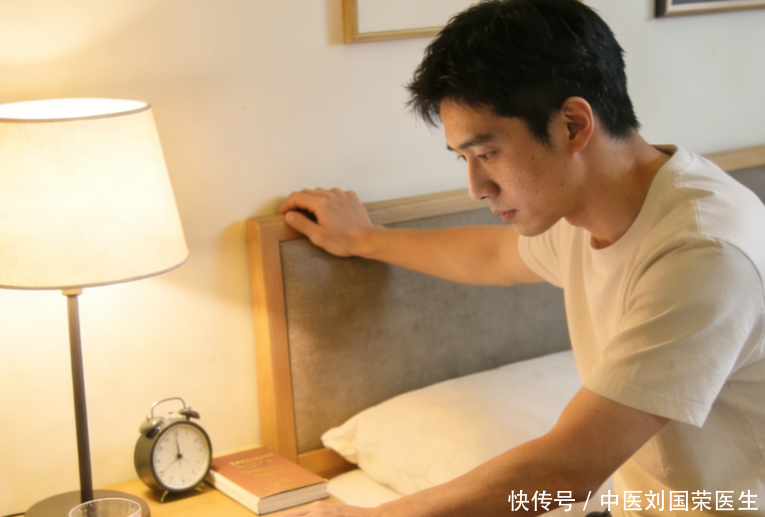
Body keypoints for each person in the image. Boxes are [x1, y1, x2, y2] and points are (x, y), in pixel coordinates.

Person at [278, 1, 765, 516]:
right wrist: (365, 239)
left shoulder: (703, 252)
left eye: (487, 154)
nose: (476, 187)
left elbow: (567, 471)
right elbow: (492, 256)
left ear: (573, 125)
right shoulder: (585, 208)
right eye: (465, 159)